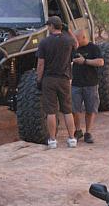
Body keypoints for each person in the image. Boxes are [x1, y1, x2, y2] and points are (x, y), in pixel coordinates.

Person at [36, 15, 78, 149]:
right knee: (67, 110)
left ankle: (53, 140)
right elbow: (76, 43)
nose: (48, 28)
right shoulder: (68, 41)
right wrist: (69, 29)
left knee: (51, 111)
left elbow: (41, 64)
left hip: (49, 79)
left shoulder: (44, 42)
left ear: (52, 26)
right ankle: (72, 139)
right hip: (64, 79)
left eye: (49, 26)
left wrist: (39, 79)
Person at [71, 30, 104, 144]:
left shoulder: (93, 48)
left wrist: (85, 61)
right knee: (74, 109)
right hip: (75, 84)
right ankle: (78, 130)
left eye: (77, 39)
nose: (75, 41)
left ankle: (88, 132)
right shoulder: (74, 48)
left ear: (84, 37)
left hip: (91, 84)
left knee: (90, 109)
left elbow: (100, 62)